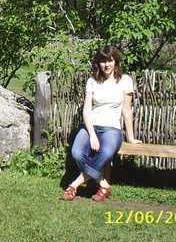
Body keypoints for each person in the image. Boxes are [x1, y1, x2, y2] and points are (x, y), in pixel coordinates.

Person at [61, 45, 142, 202]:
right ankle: (103, 184)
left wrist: (131, 138)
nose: (107, 65)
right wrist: (92, 135)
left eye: (110, 60)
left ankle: (73, 185)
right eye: (103, 61)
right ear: (98, 63)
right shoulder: (92, 82)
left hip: (112, 129)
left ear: (116, 61)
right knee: (76, 153)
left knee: (105, 153)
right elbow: (86, 110)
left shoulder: (125, 81)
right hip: (91, 127)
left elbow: (127, 110)